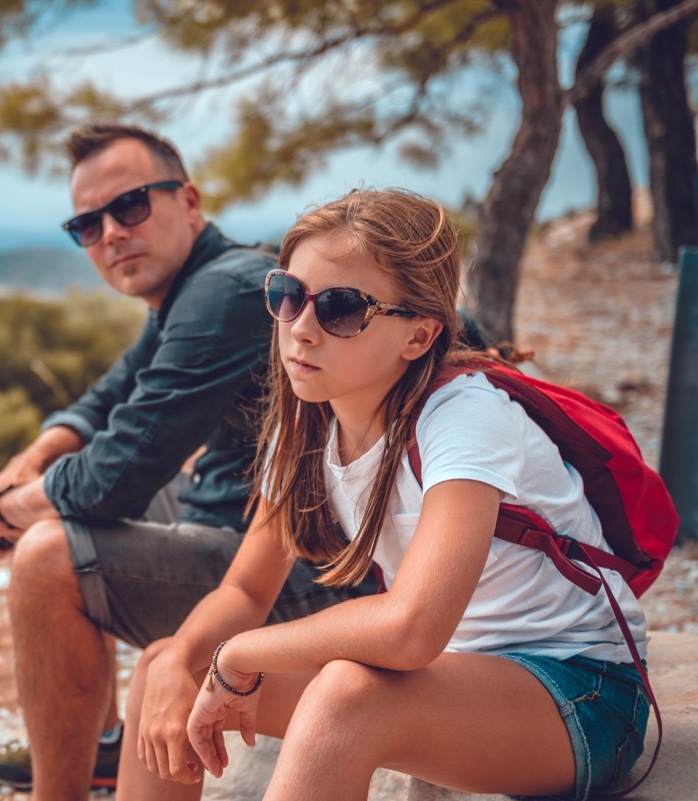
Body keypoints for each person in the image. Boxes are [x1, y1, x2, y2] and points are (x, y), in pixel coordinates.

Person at [118, 188, 650, 801]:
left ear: (419, 336)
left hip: (582, 692)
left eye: (341, 309)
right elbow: (245, 589)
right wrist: (182, 659)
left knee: (346, 696)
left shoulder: (463, 415)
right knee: (166, 667)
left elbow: (411, 629)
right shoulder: (305, 426)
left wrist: (237, 653)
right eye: (286, 296)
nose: (302, 328)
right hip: (452, 681)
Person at [0, 124, 364, 799]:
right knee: (61, 510)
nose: (112, 232)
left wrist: (8, 509)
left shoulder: (226, 292)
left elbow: (113, 478)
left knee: (45, 554)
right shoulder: (195, 286)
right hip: (242, 515)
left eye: (132, 205)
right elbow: (103, 401)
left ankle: (59, 788)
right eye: (87, 224)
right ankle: (103, 746)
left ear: (191, 202)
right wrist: (20, 469)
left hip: (308, 569)